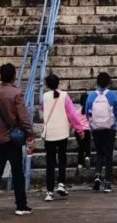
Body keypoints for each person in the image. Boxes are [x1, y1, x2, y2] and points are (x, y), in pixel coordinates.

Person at [0, 62, 34, 219]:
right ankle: (21, 205)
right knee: (18, 173)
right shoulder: (16, 93)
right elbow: (23, 117)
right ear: (13, 76)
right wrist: (30, 133)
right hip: (13, 141)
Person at [41, 73, 86, 201]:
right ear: (58, 83)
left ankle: (49, 192)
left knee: (50, 163)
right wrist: (79, 129)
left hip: (49, 133)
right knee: (62, 159)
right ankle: (61, 184)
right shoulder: (65, 96)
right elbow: (72, 114)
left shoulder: (44, 96)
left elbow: (42, 108)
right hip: (62, 133)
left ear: (47, 85)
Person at [84, 71, 117, 192]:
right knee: (109, 155)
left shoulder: (91, 96)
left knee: (99, 153)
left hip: (96, 128)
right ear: (109, 82)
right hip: (110, 128)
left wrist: (93, 124)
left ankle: (97, 176)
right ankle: (108, 183)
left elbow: (87, 111)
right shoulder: (112, 95)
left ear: (97, 82)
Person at [74, 92, 91, 182]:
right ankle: (88, 156)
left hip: (78, 131)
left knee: (81, 147)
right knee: (87, 145)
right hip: (87, 130)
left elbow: (75, 122)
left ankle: (80, 164)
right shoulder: (89, 111)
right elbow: (91, 121)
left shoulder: (77, 111)